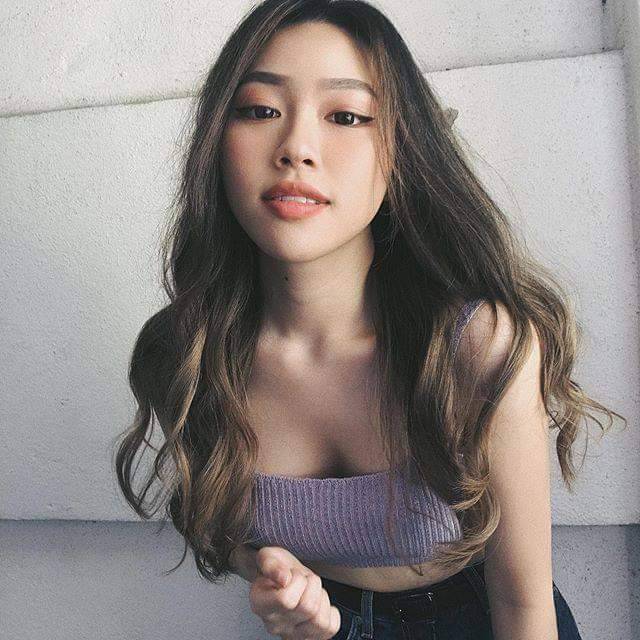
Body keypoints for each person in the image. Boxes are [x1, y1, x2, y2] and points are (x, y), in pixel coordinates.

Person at [113, 0, 626, 638]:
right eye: (261, 110)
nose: (297, 148)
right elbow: (223, 523)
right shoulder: (183, 353)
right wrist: (271, 572)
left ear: (400, 152)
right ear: (217, 141)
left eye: (347, 116)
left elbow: (523, 606)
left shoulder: (476, 345)